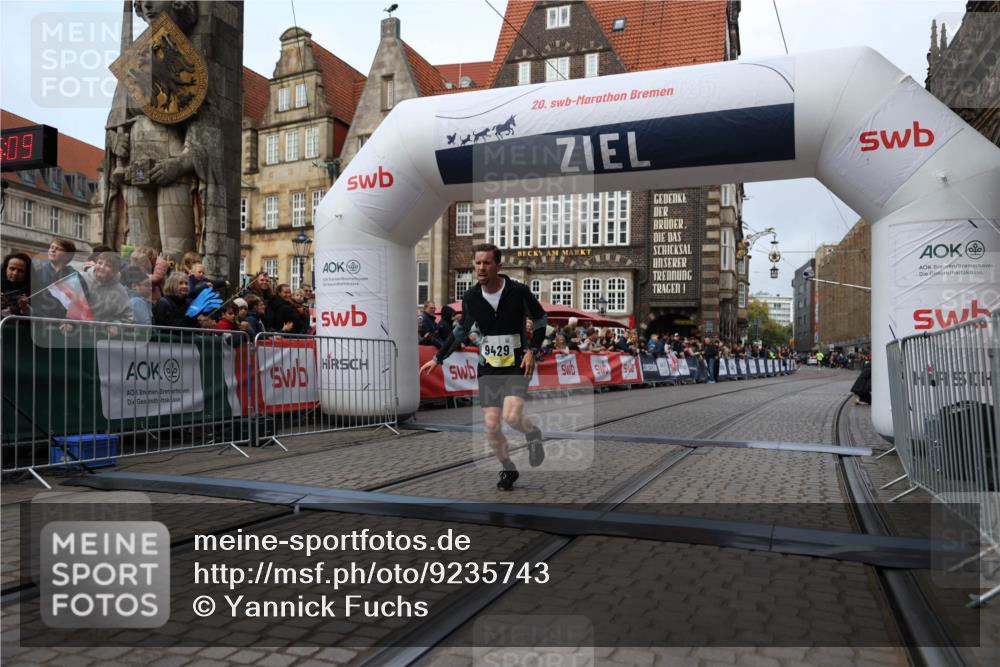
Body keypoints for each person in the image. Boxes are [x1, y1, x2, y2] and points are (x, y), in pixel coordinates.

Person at [420, 243, 547, 491]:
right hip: (488, 367)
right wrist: (438, 358)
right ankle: (508, 468)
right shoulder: (471, 297)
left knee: (511, 417)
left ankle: (533, 433)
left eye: (487, 263)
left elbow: (541, 319)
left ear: (498, 266)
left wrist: (533, 350)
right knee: (491, 425)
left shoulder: (518, 291)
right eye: (477, 263)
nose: (481, 267)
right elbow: (461, 331)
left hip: (516, 364)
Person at [80, 252, 134, 324]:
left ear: (115, 271)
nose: (102, 267)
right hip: (77, 331)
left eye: (108, 266)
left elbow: (128, 316)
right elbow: (67, 304)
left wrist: (116, 325)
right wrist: (70, 323)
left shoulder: (120, 290)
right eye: (99, 263)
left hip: (103, 334)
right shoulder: (81, 278)